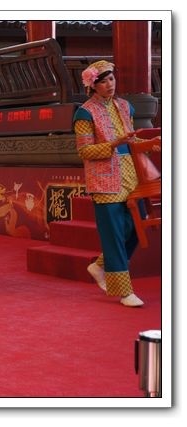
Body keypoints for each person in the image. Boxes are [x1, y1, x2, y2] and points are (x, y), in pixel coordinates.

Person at [74, 60, 160, 308]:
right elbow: (84, 151)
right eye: (103, 82)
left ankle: (99, 266)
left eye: (111, 79)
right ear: (93, 85)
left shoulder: (125, 106)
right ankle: (124, 291)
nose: (109, 85)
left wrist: (149, 144)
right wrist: (113, 144)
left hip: (131, 176)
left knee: (136, 227)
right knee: (113, 236)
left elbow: (130, 142)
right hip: (104, 179)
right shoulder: (85, 113)